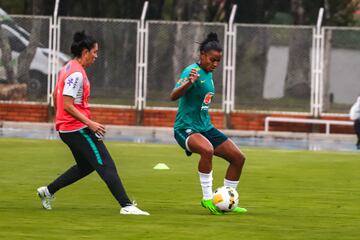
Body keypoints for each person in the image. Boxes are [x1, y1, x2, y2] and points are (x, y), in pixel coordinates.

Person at [37, 31, 149, 215]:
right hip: (77, 129)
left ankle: (48, 191)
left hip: (68, 128)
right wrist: (90, 123)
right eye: (95, 52)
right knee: (106, 164)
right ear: (85, 52)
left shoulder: (68, 67)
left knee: (86, 166)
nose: (96, 56)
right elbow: (66, 104)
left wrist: (63, 119)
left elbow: (55, 95)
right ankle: (127, 206)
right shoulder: (76, 74)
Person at [170, 32, 247, 215]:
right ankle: (207, 199)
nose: (215, 64)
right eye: (212, 60)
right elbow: (173, 96)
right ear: (202, 55)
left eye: (218, 61)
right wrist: (188, 83)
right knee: (207, 150)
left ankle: (229, 199)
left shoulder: (208, 73)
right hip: (185, 129)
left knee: (238, 158)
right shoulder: (192, 71)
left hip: (205, 128)